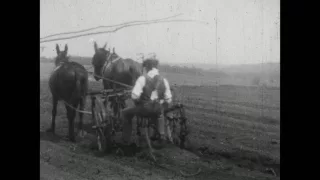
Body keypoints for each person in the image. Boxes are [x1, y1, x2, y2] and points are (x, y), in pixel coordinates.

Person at [121, 58, 172, 147]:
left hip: (144, 110)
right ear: (156, 67)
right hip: (158, 109)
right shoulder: (164, 80)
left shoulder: (142, 79)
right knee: (160, 113)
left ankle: (125, 141)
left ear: (146, 68)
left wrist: (138, 101)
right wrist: (160, 102)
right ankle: (161, 136)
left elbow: (134, 95)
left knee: (125, 113)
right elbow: (168, 99)